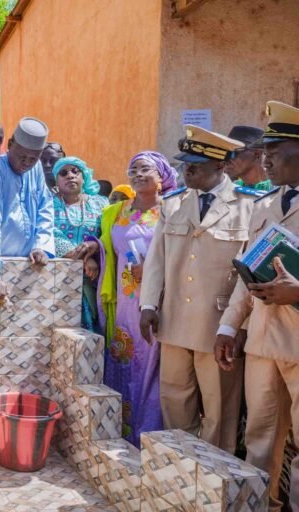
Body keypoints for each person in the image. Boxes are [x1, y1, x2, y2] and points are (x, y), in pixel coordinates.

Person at [139, 126, 256, 454]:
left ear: (220, 166)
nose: (185, 170)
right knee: (175, 403)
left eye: (195, 165)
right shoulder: (173, 204)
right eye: (184, 163)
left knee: (220, 413)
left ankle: (212, 482)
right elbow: (156, 262)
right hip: (174, 320)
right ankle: (180, 471)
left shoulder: (249, 206)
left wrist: (238, 325)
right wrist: (148, 305)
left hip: (218, 326)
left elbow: (249, 276)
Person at [215, 101, 299, 509]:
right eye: (264, 149)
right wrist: (229, 327)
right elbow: (245, 272)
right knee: (260, 443)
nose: (264, 159)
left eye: (275, 149)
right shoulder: (264, 205)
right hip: (264, 342)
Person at [86, 150, 177, 447]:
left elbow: (178, 256)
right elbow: (101, 241)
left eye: (145, 170)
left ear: (161, 177)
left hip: (156, 300)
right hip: (123, 302)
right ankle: (119, 434)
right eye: (133, 169)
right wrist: (93, 255)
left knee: (151, 366)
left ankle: (146, 436)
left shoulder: (171, 210)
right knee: (122, 360)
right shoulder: (117, 211)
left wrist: (150, 268)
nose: (137, 175)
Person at [0, 117, 55, 302]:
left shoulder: (35, 170)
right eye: (22, 156)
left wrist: (40, 246)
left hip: (27, 264)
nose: (26, 163)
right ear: (10, 144)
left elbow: (45, 208)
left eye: (33, 159)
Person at [51, 157, 108, 332]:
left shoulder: (101, 204)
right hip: (59, 279)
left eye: (75, 171)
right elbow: (49, 234)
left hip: (94, 278)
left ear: (84, 177)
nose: (70, 176)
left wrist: (95, 249)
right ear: (56, 181)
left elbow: (109, 234)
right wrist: (83, 259)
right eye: (63, 173)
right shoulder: (49, 204)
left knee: (94, 334)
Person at [224, 125, 272, 192]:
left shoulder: (278, 190)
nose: (227, 160)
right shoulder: (231, 190)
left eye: (234, 153)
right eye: (226, 154)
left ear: (257, 154)